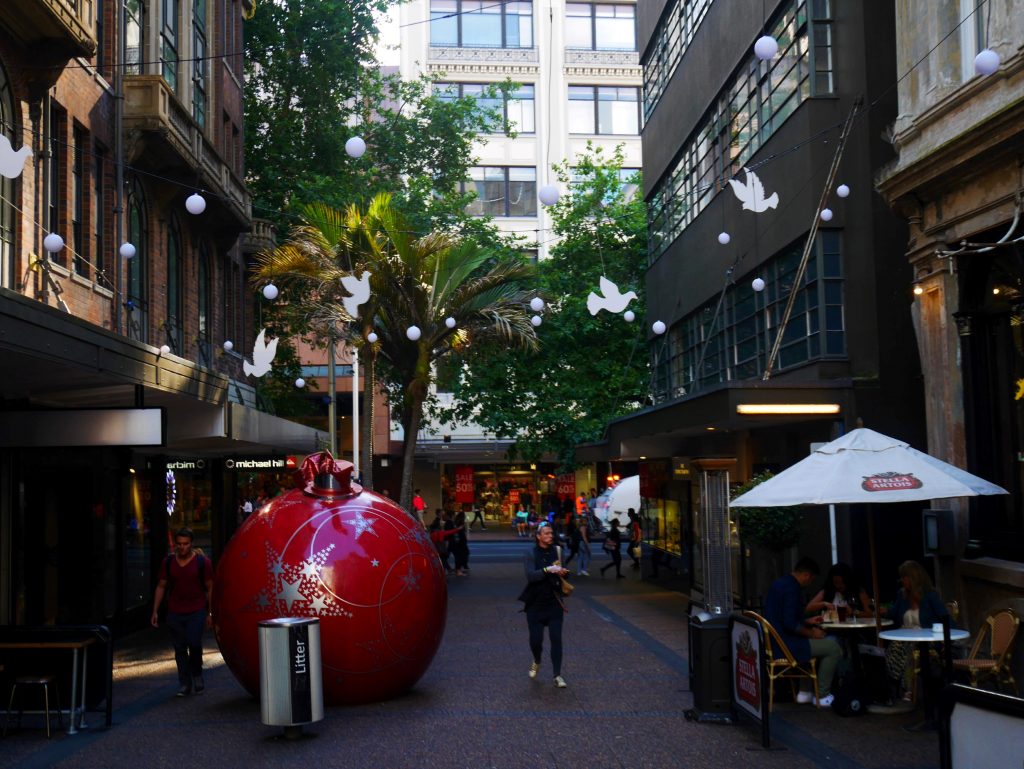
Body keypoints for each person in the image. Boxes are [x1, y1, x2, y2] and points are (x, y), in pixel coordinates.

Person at [764, 557, 842, 707]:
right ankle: (823, 695)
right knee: (833, 648)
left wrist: (807, 622)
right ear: (806, 575)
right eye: (811, 579)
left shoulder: (780, 584)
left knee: (820, 644)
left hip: (775, 642)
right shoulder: (793, 589)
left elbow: (784, 618)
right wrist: (812, 633)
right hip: (787, 644)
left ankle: (805, 692)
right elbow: (790, 624)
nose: (810, 583)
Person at [151, 527, 215, 697]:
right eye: (179, 544)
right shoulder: (169, 562)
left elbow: (210, 588)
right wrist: (155, 611)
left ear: (191, 544)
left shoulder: (202, 562)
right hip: (175, 611)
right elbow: (161, 586)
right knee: (179, 649)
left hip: (196, 610)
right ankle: (184, 683)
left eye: (185, 544)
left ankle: (197, 674)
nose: (182, 547)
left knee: (194, 644)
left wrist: (210, 613)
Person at [881, 560, 951, 699]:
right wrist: (878, 610)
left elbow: (945, 617)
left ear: (912, 577)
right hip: (904, 636)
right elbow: (893, 614)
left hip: (926, 639)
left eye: (904, 577)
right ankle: (889, 685)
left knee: (908, 648)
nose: (902, 580)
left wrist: (944, 638)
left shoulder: (930, 596)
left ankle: (908, 688)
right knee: (894, 647)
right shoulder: (902, 595)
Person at [518, 522, 570, 688]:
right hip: (535, 605)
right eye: (546, 533)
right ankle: (537, 660)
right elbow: (531, 576)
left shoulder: (558, 551)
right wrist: (548, 570)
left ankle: (557, 675)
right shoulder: (530, 553)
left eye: (551, 533)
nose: (550, 536)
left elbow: (564, 575)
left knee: (556, 639)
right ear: (538, 536)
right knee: (536, 641)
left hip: (554, 603)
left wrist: (562, 572)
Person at [806, 562, 874, 618]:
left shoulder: (858, 591)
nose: (839, 586)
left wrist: (853, 612)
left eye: (842, 582)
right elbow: (808, 608)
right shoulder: (827, 590)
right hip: (832, 629)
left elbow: (871, 614)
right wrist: (824, 604)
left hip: (854, 629)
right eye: (836, 582)